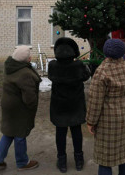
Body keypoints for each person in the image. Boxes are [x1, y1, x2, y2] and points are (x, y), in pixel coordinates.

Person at [86, 39, 125, 175]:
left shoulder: (102, 71)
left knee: (106, 159)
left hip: (109, 122)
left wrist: (91, 121)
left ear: (106, 52)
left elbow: (95, 100)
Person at [0, 46, 41, 171]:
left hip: (8, 105)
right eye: (29, 55)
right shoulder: (24, 74)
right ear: (25, 59)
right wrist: (33, 106)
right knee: (20, 133)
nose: (31, 57)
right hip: (19, 108)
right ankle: (22, 162)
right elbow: (29, 98)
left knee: (9, 132)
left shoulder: (10, 67)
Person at [48, 37, 90, 173]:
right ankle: (79, 160)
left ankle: (62, 162)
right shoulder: (78, 66)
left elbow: (50, 77)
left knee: (60, 132)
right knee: (76, 131)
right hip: (75, 105)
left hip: (59, 106)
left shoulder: (53, 65)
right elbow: (86, 76)